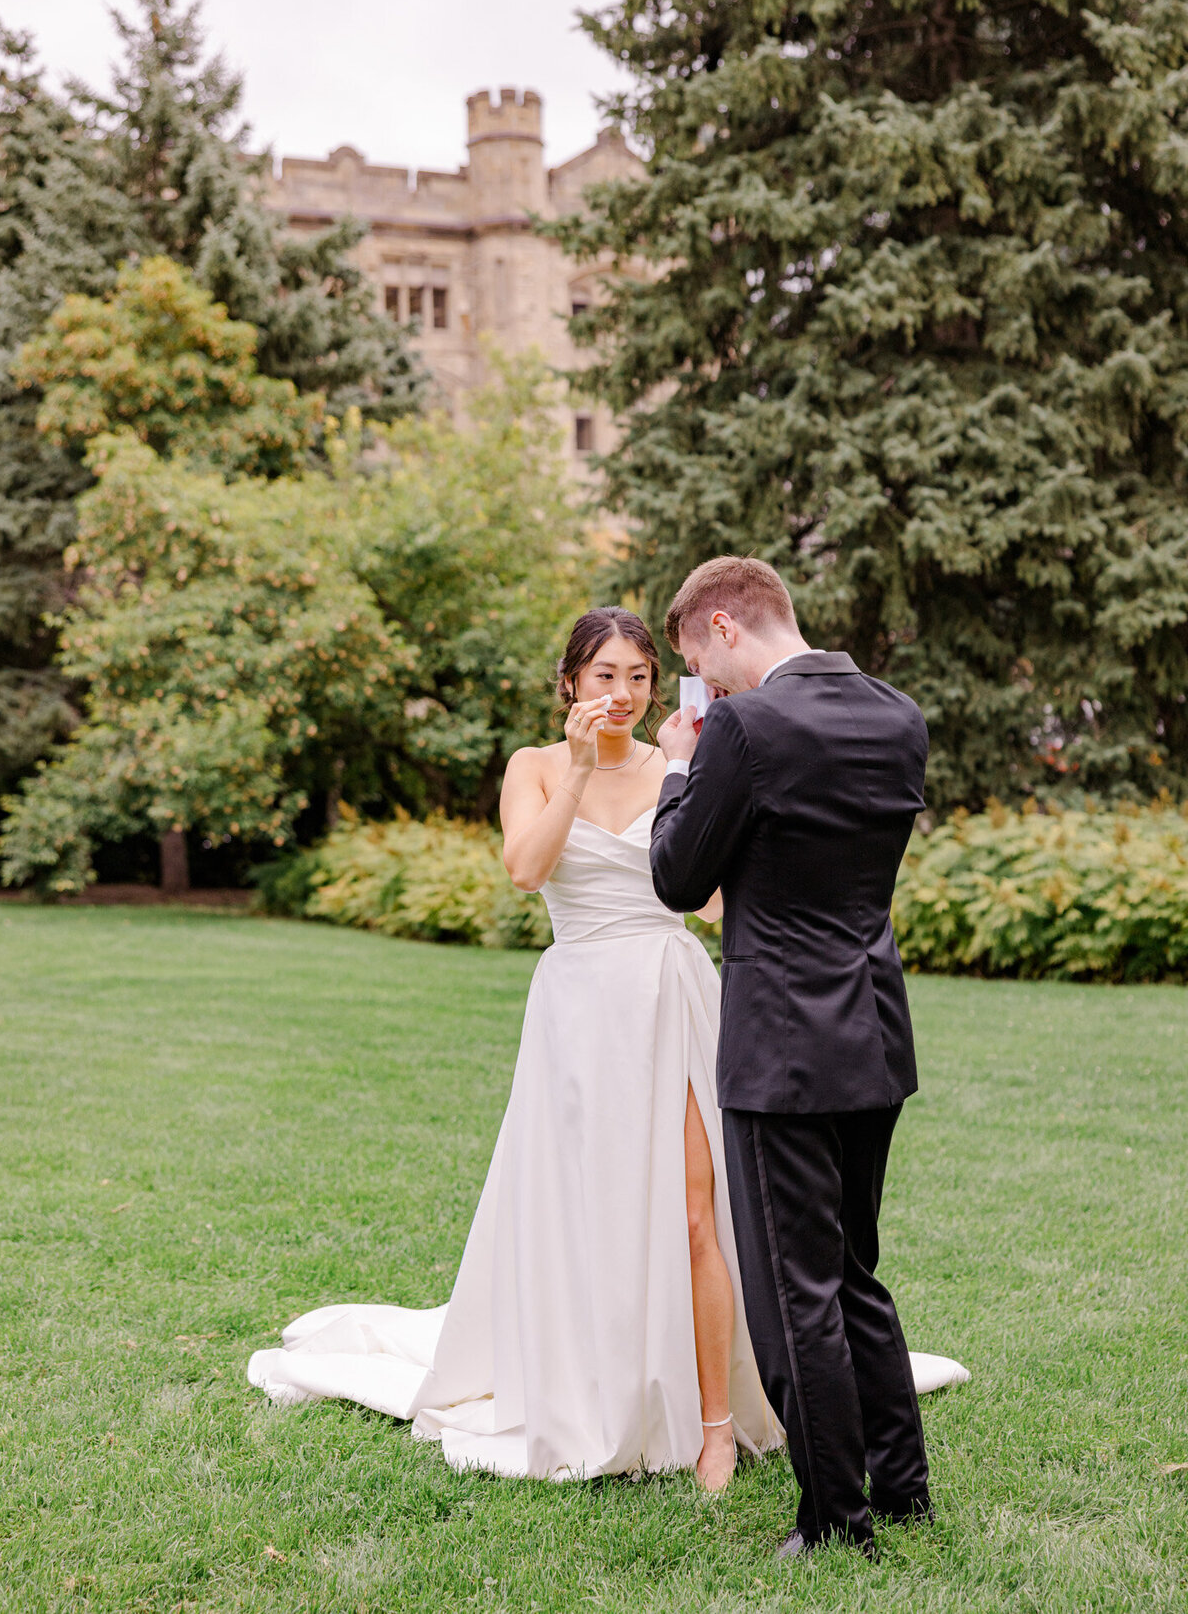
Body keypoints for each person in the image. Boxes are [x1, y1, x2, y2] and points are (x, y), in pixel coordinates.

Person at [248, 607, 785, 1486]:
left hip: (671, 992)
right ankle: (596, 1389)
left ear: (658, 689)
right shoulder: (532, 767)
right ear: (570, 683)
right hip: (578, 1005)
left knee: (695, 1214)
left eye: (639, 677)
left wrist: (720, 797)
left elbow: (712, 904)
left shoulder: (679, 766)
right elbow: (527, 869)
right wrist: (576, 769)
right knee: (589, 1210)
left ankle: (715, 1422)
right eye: (604, 675)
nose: (622, 693)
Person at [649, 556, 965, 1559]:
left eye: (700, 660)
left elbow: (675, 874)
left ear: (726, 625)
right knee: (853, 1269)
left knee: (798, 1291)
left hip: (782, 1039)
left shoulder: (743, 729)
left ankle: (836, 1518)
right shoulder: (895, 714)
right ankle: (902, 1485)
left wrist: (676, 768)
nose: (708, 685)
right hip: (871, 1025)